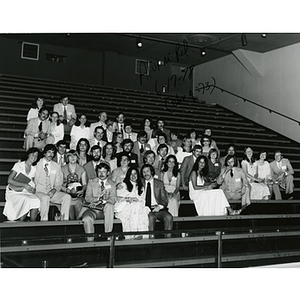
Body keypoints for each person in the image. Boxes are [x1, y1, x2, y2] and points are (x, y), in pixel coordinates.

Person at [79, 163, 117, 241]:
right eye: (99, 171)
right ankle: (90, 241)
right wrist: (97, 199)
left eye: (104, 171)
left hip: (106, 210)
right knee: (86, 218)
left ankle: (108, 235)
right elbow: (87, 197)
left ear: (108, 173)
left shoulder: (112, 184)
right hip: (93, 208)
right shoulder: (91, 182)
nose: (101, 174)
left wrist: (102, 201)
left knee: (109, 206)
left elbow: (113, 199)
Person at [34, 144, 71, 221]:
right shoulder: (37, 163)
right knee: (45, 198)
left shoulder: (56, 166)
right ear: (44, 153)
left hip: (52, 192)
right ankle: (44, 221)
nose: (51, 154)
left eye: (52, 152)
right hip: (39, 191)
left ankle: (64, 221)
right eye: (49, 152)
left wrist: (53, 190)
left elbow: (59, 183)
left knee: (67, 197)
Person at [3, 147, 40, 221]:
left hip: (25, 191)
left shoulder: (34, 168)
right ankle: (21, 222)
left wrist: (33, 189)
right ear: (28, 155)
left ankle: (33, 223)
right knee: (27, 200)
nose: (34, 157)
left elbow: (32, 182)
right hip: (14, 191)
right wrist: (24, 185)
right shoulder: (19, 165)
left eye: (36, 156)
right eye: (32, 154)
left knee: (36, 200)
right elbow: (9, 180)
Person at [114, 167, 150, 239]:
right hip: (125, 207)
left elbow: (143, 200)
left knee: (138, 207)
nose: (133, 176)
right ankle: (135, 233)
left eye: (135, 174)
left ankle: (141, 234)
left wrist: (138, 201)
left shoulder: (140, 186)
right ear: (128, 175)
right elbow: (117, 198)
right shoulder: (123, 185)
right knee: (136, 206)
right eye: (131, 174)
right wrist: (129, 199)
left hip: (138, 208)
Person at [141, 164, 173, 237]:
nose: (146, 174)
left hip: (158, 208)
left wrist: (159, 207)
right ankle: (150, 240)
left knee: (169, 217)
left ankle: (168, 240)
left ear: (152, 172)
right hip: (145, 209)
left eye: (147, 171)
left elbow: (164, 200)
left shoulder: (159, 183)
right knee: (151, 217)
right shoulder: (140, 183)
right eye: (144, 172)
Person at [61, 150, 87, 220]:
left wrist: (82, 191)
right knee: (70, 217)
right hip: (67, 194)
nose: (73, 158)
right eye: (70, 156)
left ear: (77, 157)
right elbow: (59, 184)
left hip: (77, 195)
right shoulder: (62, 168)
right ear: (67, 158)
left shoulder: (82, 169)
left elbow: (84, 184)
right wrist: (67, 190)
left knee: (79, 206)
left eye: (74, 156)